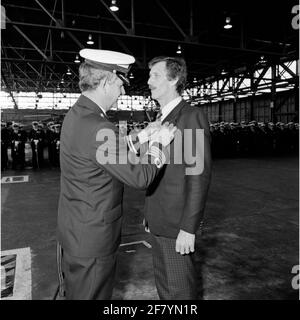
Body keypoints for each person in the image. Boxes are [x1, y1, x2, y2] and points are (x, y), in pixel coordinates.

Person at [56, 49, 177, 300]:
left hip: (77, 230)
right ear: (108, 80)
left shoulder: (80, 114)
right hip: (93, 240)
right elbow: (140, 177)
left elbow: (105, 153)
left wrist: (143, 136)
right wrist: (160, 143)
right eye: (121, 84)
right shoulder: (98, 125)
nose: (123, 91)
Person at [143, 56, 212, 299]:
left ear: (173, 79)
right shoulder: (161, 119)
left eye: (156, 75)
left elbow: (198, 176)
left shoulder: (190, 116)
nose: (149, 80)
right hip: (158, 221)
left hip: (176, 226)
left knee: (180, 291)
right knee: (165, 289)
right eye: (149, 75)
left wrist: (189, 228)